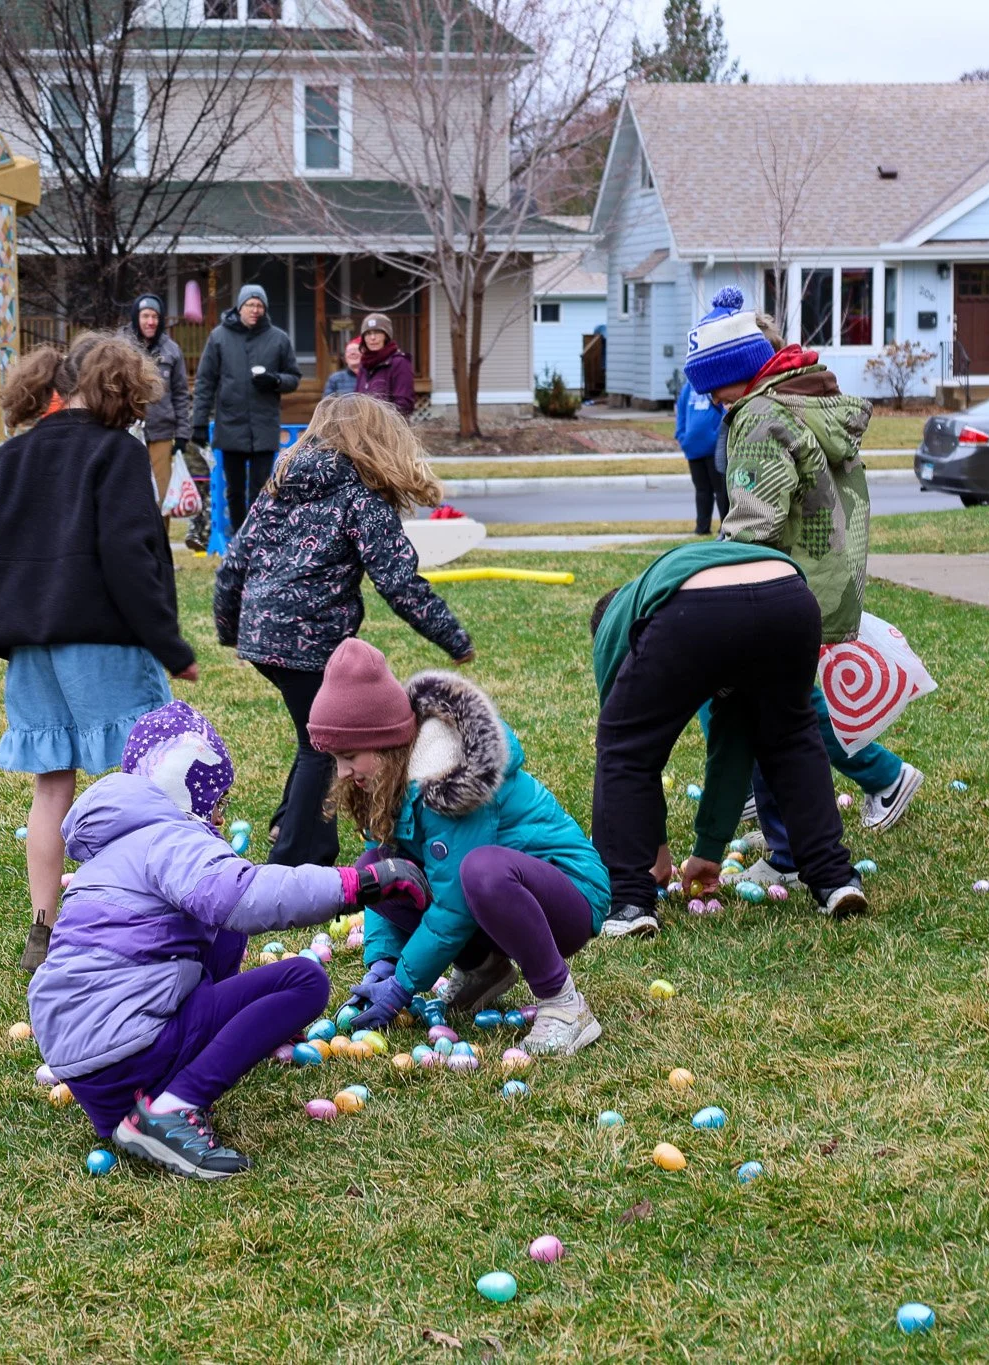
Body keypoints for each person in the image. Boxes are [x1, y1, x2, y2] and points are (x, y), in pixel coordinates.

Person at [30, 701, 429, 1179]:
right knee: (303, 980)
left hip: (94, 1071)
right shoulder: (169, 839)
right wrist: (356, 885)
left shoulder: (118, 846)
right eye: (217, 801)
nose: (221, 816)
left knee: (222, 937)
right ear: (188, 791)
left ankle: (148, 1107)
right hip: (128, 1045)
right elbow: (244, 898)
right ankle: (173, 1110)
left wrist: (249, 1023)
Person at [0, 333, 198, 973]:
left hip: (31, 656)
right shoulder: (120, 456)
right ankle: (136, 914)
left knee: (51, 789)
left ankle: (45, 929)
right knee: (139, 782)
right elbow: (130, 561)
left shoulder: (14, 455)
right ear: (124, 391)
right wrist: (169, 644)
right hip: (105, 645)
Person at [686, 288, 923, 857]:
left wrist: (714, 569)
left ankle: (793, 846)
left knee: (775, 715)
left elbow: (756, 520)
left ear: (739, 370)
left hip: (773, 586)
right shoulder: (792, 402)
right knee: (767, 706)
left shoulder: (761, 418)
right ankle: (775, 823)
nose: (713, 400)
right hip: (806, 580)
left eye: (715, 385)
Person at [310, 639, 611, 1057]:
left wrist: (402, 985)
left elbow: (454, 905)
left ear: (385, 742)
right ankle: (484, 970)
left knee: (481, 871)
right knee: (376, 867)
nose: (342, 772)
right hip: (494, 902)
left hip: (568, 899)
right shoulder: (385, 779)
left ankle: (564, 1004)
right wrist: (382, 964)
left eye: (350, 756)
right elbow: (393, 874)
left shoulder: (450, 778)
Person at [215, 393, 472, 869]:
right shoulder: (359, 494)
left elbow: (234, 563)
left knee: (310, 728)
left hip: (262, 633)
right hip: (309, 639)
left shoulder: (278, 485)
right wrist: (453, 637)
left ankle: (286, 821)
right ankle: (297, 861)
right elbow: (398, 581)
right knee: (324, 745)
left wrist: (233, 630)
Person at [589, 542, 867, 939]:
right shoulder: (669, 579)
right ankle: (834, 879)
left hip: (699, 609)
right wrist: (707, 849)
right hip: (790, 597)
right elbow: (733, 742)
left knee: (623, 746)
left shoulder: (617, 626)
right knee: (790, 739)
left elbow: (622, 756)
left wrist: (654, 855)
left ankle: (631, 903)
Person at [191, 283, 301, 533]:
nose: (255, 310)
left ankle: (259, 535)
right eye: (250, 305)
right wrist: (199, 421)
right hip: (230, 424)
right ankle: (240, 535)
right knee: (235, 489)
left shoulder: (278, 338)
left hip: (264, 426)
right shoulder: (219, 336)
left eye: (259, 305)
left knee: (261, 487)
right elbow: (205, 381)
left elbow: (294, 377)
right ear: (240, 307)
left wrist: (275, 380)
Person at [123, 293, 195, 514]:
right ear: (137, 317)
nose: (150, 321)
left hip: (162, 433)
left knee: (162, 499)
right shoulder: (120, 346)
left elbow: (181, 394)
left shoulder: (171, 349)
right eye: (145, 316)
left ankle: (160, 547)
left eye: (155, 316)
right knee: (129, 496)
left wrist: (183, 434)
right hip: (125, 433)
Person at [674, 375, 726, 534]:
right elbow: (681, 415)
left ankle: (726, 528)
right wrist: (683, 437)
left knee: (721, 491)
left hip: (713, 449)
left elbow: (725, 412)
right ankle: (702, 527)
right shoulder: (687, 389)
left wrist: (717, 437)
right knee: (702, 490)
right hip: (693, 448)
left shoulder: (714, 387)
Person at [354, 313, 416, 417]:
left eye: (378, 332)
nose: (372, 338)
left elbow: (404, 405)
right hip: (364, 429)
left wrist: (377, 420)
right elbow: (357, 399)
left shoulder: (399, 362)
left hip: (390, 429)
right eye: (368, 333)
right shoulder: (364, 365)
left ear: (386, 336)